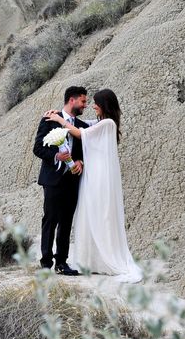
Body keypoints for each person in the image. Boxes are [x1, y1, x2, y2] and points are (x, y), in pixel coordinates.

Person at [44, 89, 142, 282]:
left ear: (104, 105)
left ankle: (106, 258)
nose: (92, 106)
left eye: (95, 103)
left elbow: (80, 133)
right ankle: (94, 259)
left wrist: (58, 120)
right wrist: (59, 116)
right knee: (90, 214)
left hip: (99, 176)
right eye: (89, 102)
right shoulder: (100, 123)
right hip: (92, 174)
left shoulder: (107, 123)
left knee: (100, 214)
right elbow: (81, 126)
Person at [33, 86, 90, 275]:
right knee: (50, 219)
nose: (85, 105)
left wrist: (80, 160)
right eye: (83, 101)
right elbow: (38, 148)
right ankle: (46, 263)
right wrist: (56, 156)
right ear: (72, 100)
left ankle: (61, 263)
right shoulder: (49, 119)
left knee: (66, 221)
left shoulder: (81, 125)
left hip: (73, 179)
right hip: (53, 179)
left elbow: (85, 149)